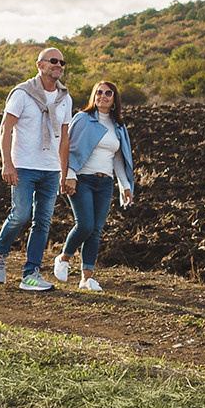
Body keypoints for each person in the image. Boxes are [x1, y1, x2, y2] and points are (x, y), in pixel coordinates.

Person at [0, 46, 73, 292]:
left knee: (43, 222)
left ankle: (31, 274)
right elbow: (5, 129)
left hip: (51, 169)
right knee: (21, 215)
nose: (58, 65)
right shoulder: (22, 93)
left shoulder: (65, 98)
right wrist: (7, 163)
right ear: (40, 65)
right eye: (53, 60)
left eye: (62, 62)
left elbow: (64, 139)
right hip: (24, 166)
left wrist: (65, 172)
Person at [54, 80, 136, 292]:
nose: (103, 96)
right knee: (85, 225)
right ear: (94, 96)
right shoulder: (83, 119)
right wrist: (68, 175)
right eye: (99, 92)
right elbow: (67, 148)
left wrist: (125, 186)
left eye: (108, 93)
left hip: (105, 183)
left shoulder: (118, 126)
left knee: (96, 231)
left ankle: (86, 279)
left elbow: (119, 159)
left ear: (114, 99)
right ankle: (63, 258)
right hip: (83, 179)